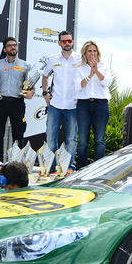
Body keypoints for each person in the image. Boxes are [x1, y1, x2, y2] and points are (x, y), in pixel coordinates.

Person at [0, 37, 34, 162]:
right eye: (10, 45)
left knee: (18, 134)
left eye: (15, 45)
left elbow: (31, 86)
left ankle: (17, 163)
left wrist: (31, 93)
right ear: (4, 49)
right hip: (0, 102)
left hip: (17, 103)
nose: (13, 47)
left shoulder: (25, 65)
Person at [41, 31, 81, 173]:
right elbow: (45, 76)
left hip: (73, 105)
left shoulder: (80, 59)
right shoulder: (53, 59)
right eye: (64, 41)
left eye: (69, 40)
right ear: (59, 43)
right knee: (51, 137)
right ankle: (51, 167)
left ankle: (68, 167)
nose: (67, 43)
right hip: (55, 104)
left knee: (71, 139)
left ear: (72, 41)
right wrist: (45, 93)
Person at [76, 40, 112, 169]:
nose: (92, 53)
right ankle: (80, 169)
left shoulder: (104, 67)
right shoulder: (79, 68)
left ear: (98, 53)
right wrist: (90, 75)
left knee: (99, 140)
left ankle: (98, 170)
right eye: (90, 51)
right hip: (83, 105)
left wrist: (96, 71)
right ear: (85, 53)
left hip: (101, 105)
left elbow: (107, 82)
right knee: (83, 142)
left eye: (94, 51)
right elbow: (78, 86)